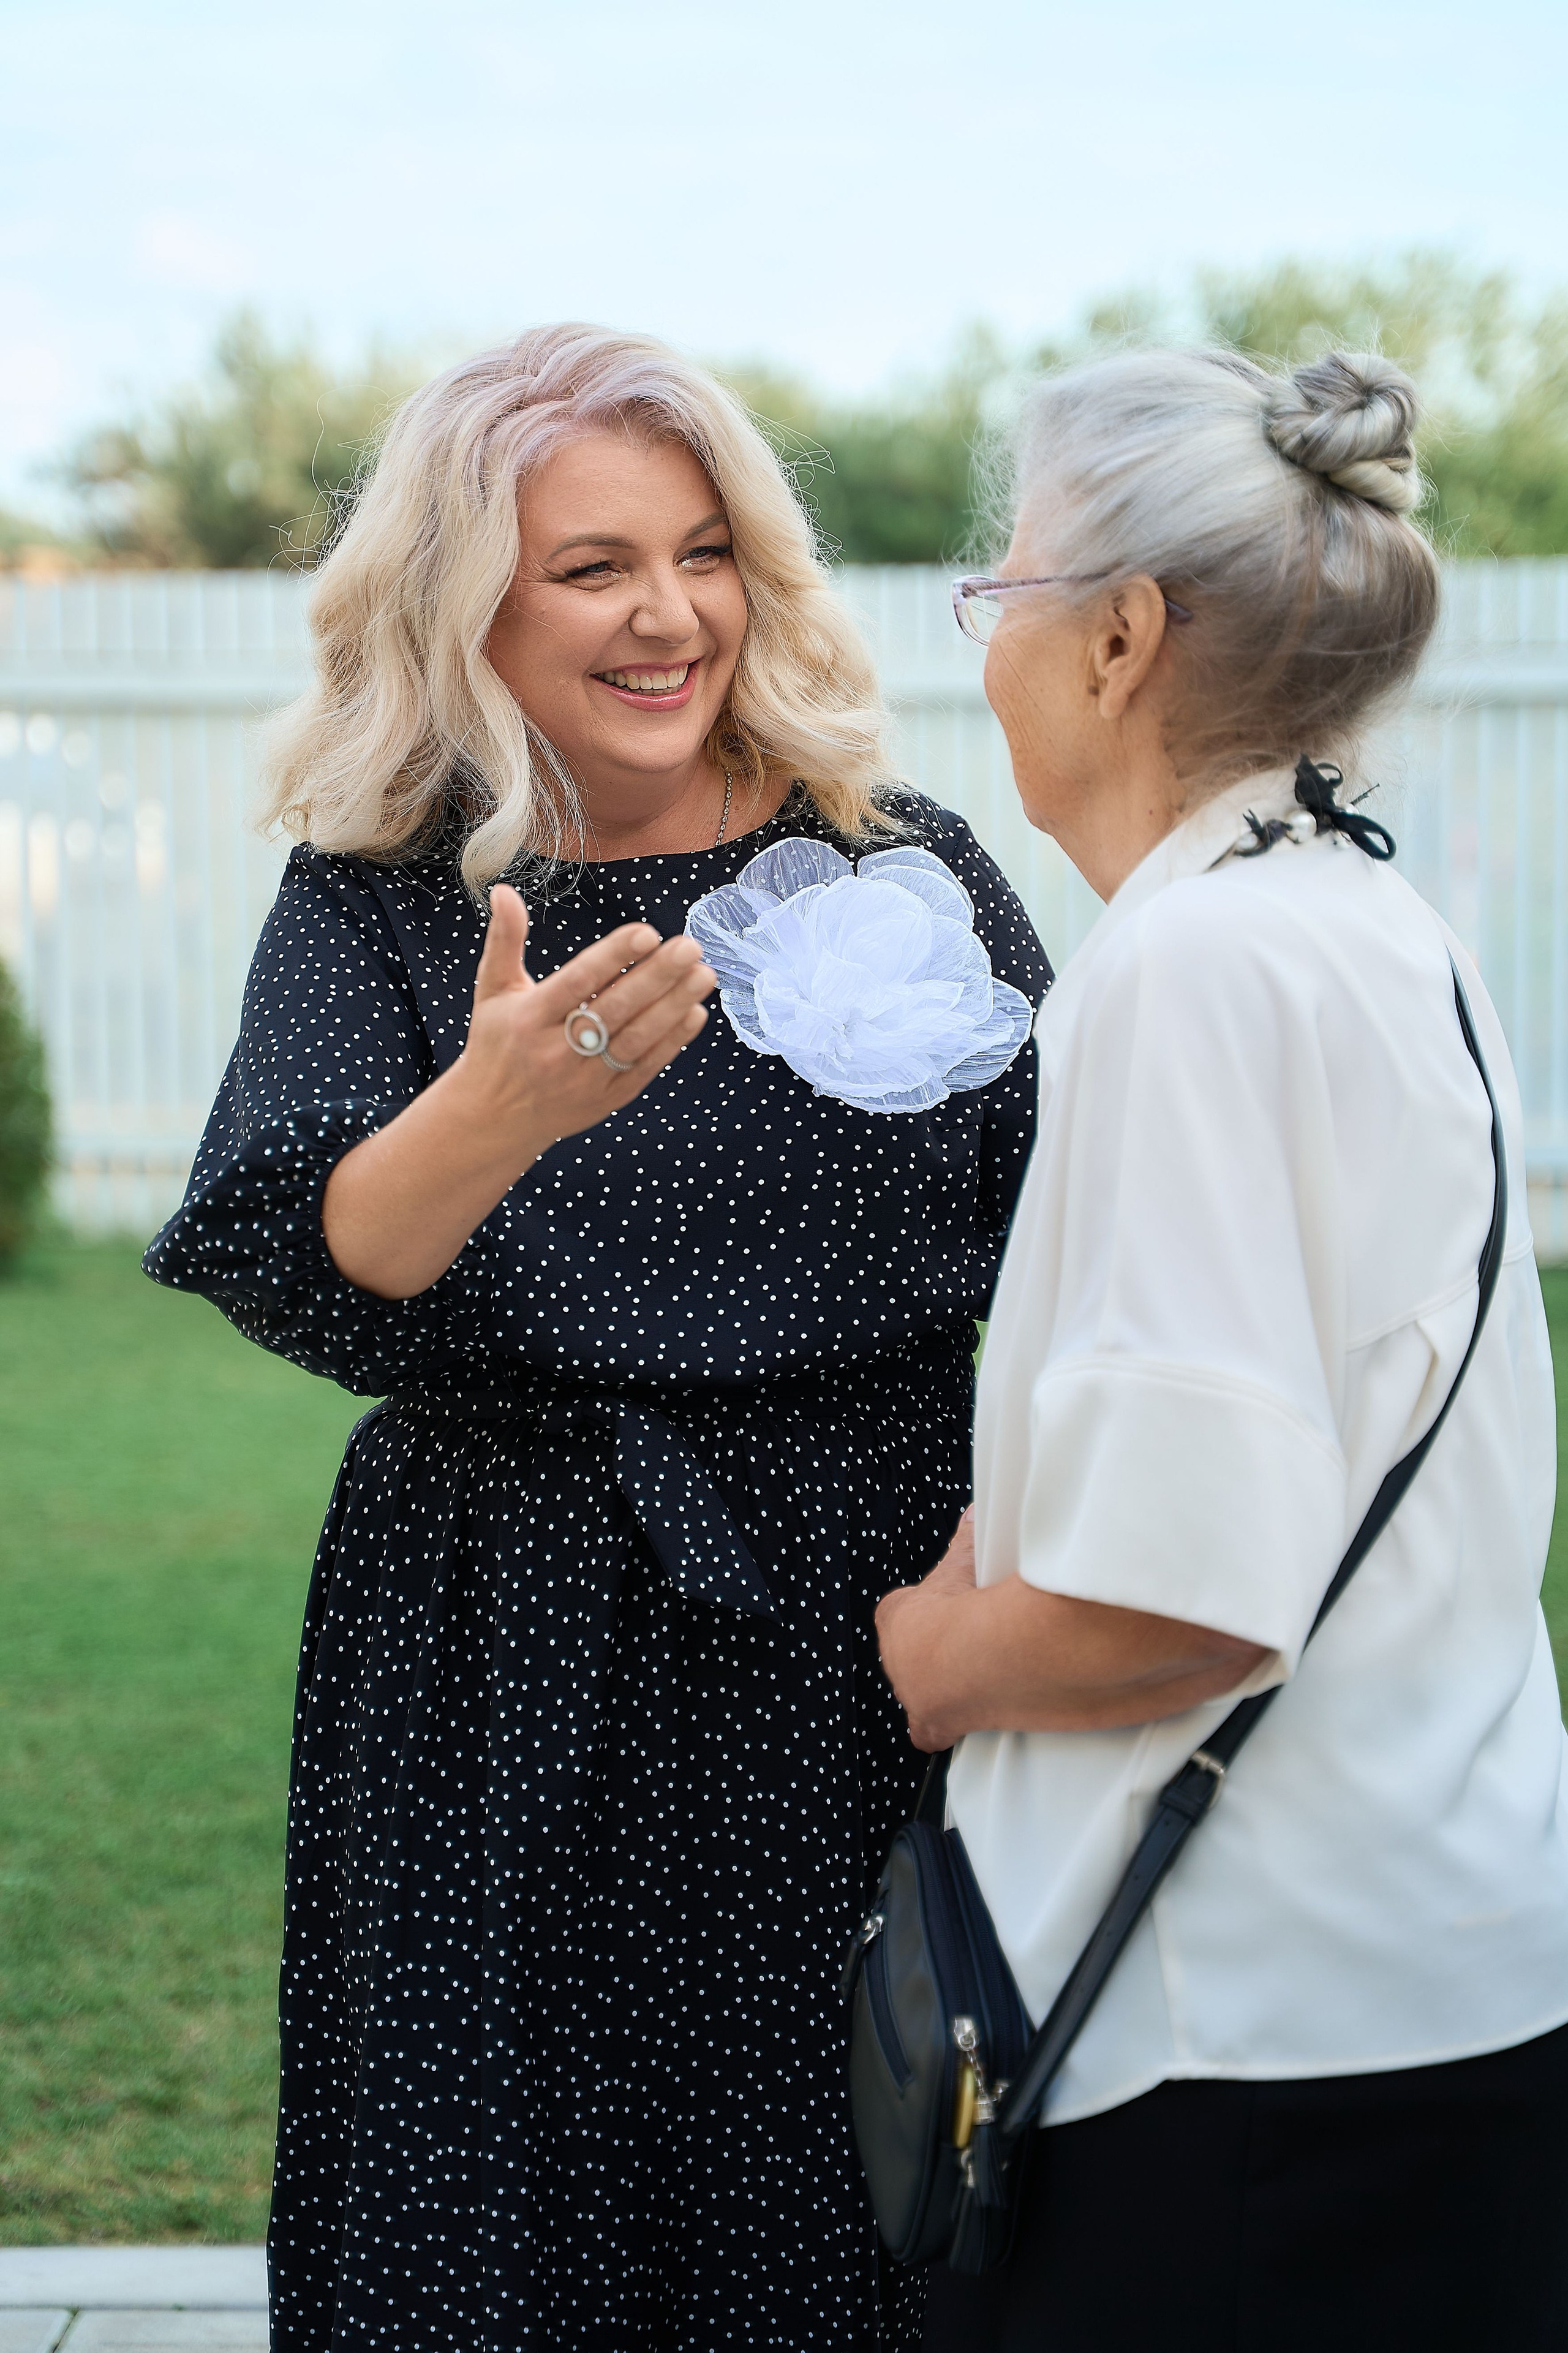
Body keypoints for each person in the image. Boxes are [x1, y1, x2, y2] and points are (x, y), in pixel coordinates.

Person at [143, 323, 1050, 2352]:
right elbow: (299, 1247)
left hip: (865, 1618)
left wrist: (996, 1588)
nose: (671, 615)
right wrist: (492, 1110)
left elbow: (1072, 1239)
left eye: (705, 550)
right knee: (495, 2213)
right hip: (502, 1633)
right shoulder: (380, 889)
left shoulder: (896, 867)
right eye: (593, 566)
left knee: (861, 2199)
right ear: (468, 604)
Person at [876, 347, 1568, 2351]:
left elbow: (1171, 1605)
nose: (985, 640)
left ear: (1121, 639)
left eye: (1003, 585)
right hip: (1423, 1972)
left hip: (1249, 2048)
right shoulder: (1364, 916)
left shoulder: (1193, 967)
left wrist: (932, 1654)